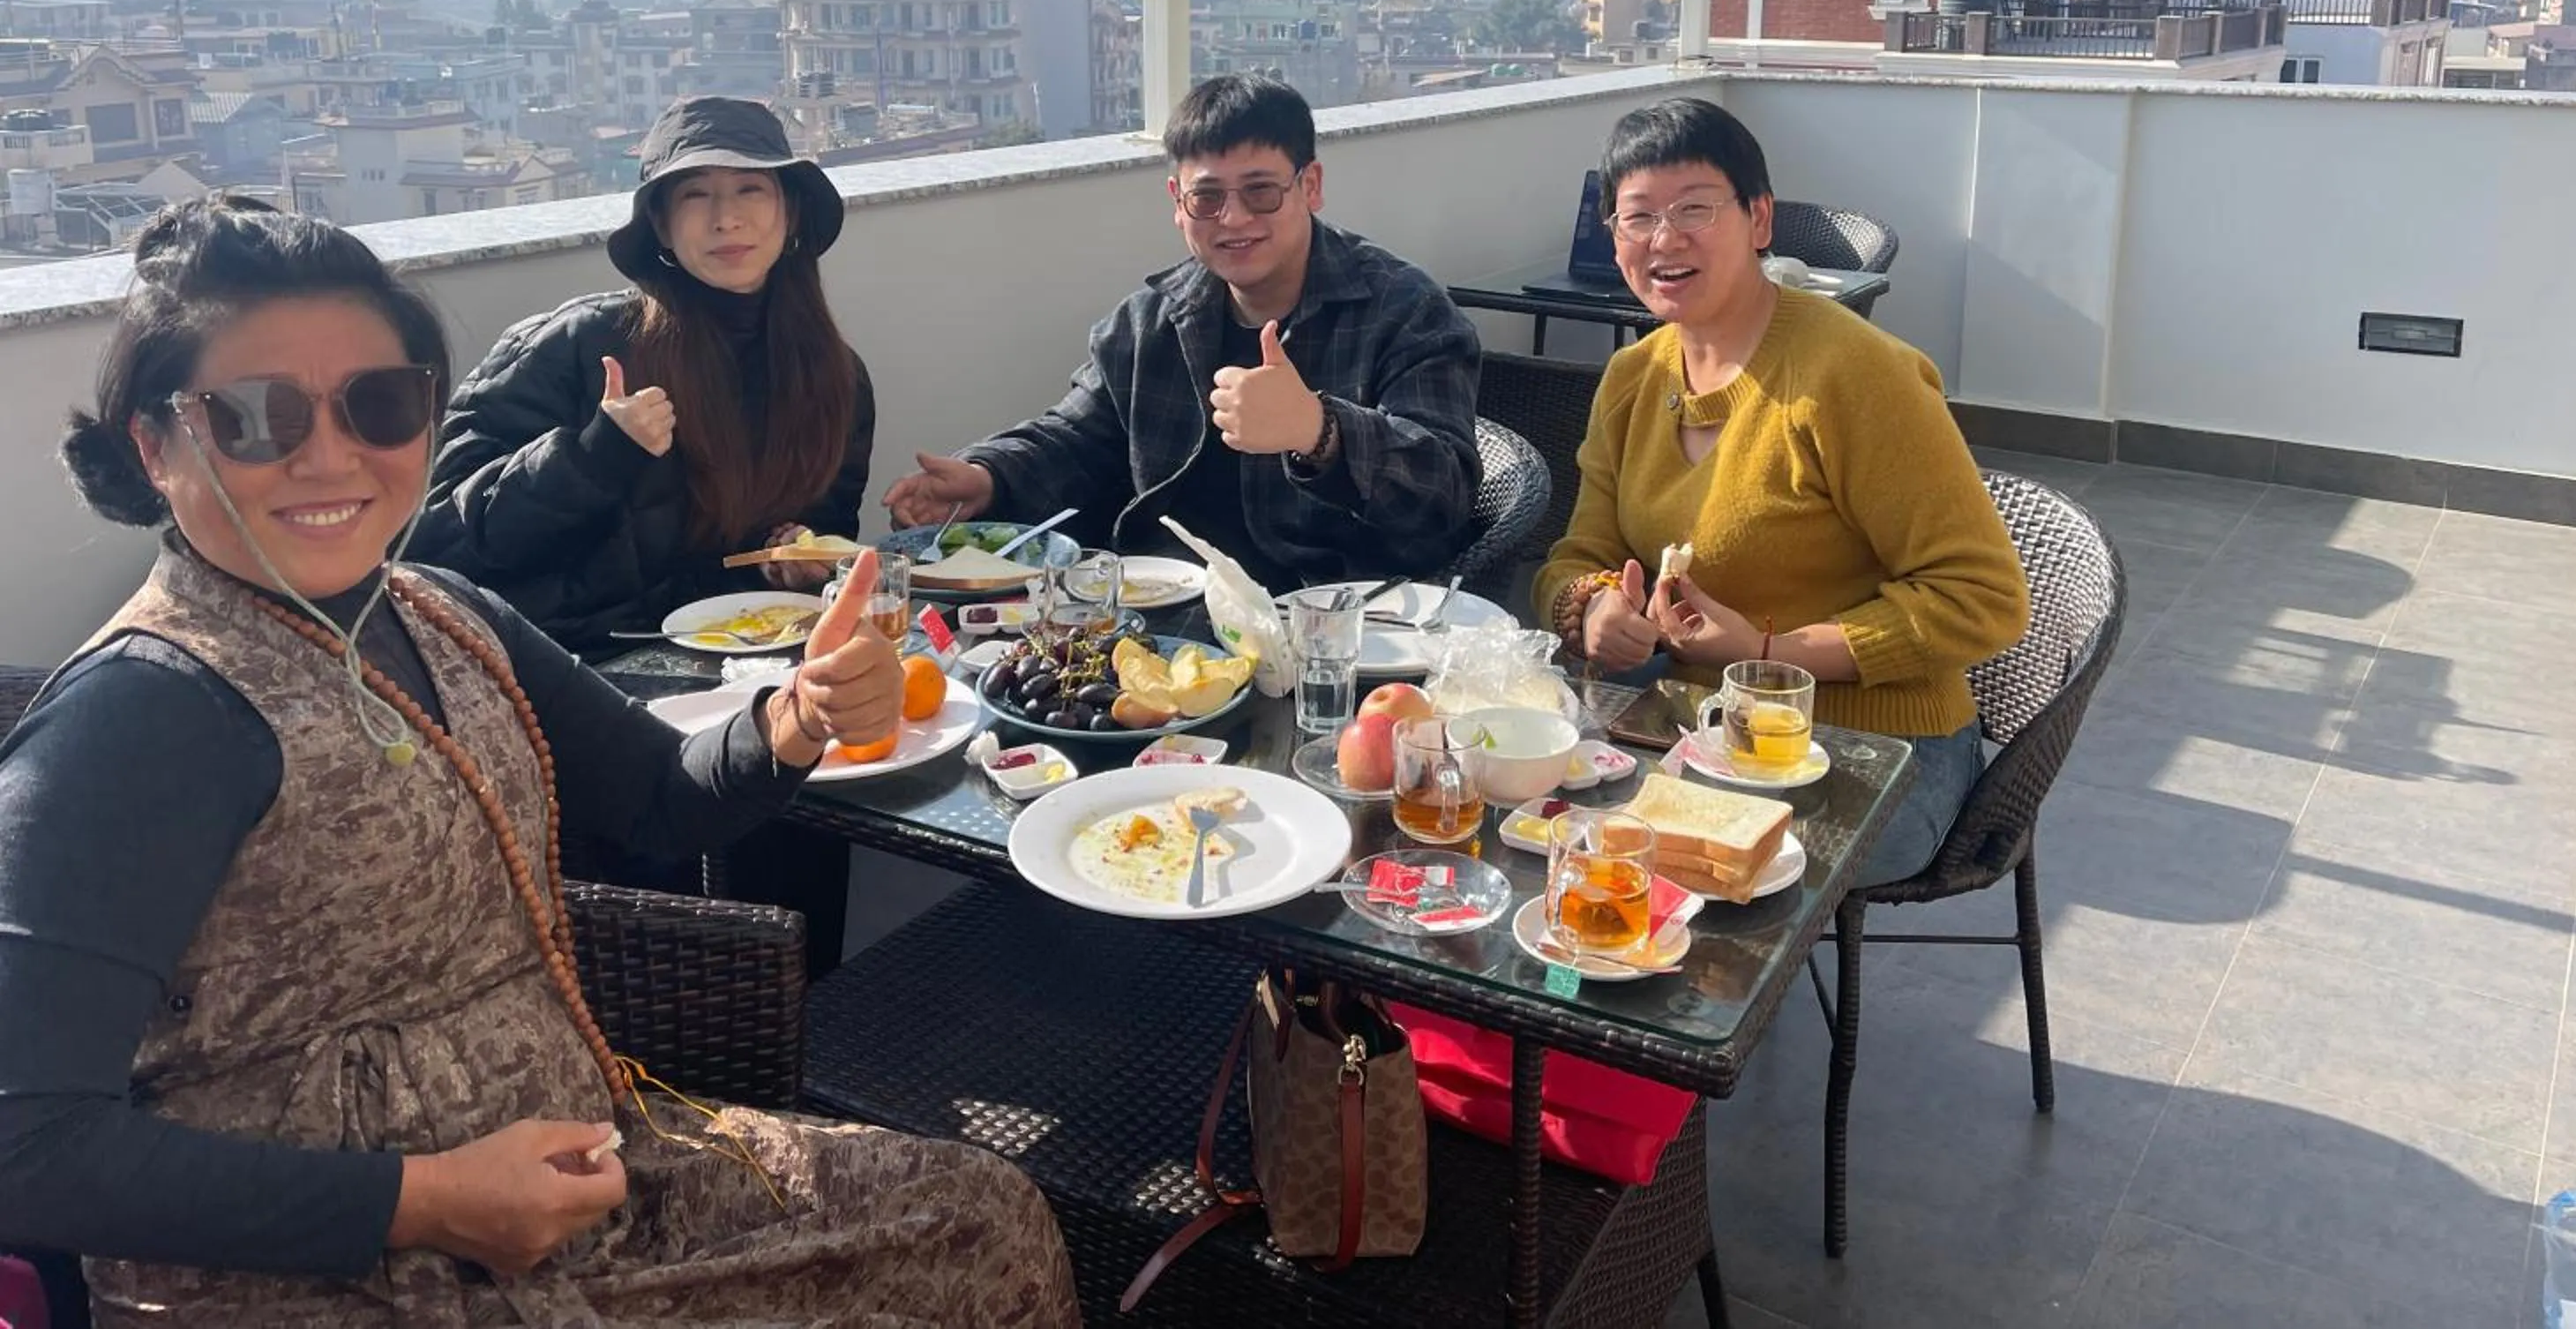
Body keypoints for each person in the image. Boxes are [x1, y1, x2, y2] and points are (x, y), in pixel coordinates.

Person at [0, 197, 1075, 1325]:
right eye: (254, 417)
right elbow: (26, 1144)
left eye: (379, 403)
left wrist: (799, 714)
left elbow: (664, 799)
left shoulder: (442, 612)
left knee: (981, 1215)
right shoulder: (142, 714)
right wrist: (424, 1201)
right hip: (346, 1271)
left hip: (584, 1180)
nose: (331, 457)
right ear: (155, 444)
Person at [1534, 100, 2029, 884]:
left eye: (1696, 209)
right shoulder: (1634, 378)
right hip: (1698, 725)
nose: (1666, 239)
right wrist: (1595, 609)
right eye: (1639, 218)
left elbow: (1984, 599)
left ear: (1758, 217)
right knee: (1535, 821)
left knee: (1641, 863)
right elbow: (1578, 556)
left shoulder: (1853, 375)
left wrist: (1766, 654)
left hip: (1876, 749)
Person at [882, 73, 1481, 594]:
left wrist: (1318, 431)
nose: (1235, 218)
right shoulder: (1153, 320)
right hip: (1157, 612)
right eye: (1208, 196)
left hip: (1329, 625)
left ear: (1311, 185)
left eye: (1261, 190)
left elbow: (1446, 491)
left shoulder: (1405, 311)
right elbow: (1075, 438)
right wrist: (988, 476)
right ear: (1178, 201)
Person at [410, 96, 875, 655]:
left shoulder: (836, 375)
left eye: (750, 188)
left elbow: (824, 526)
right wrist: (590, 457)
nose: (726, 217)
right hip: (579, 668)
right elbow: (436, 539)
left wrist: (794, 559)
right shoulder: (579, 345)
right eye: (696, 194)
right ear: (660, 223)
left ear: (790, 210)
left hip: (754, 656)